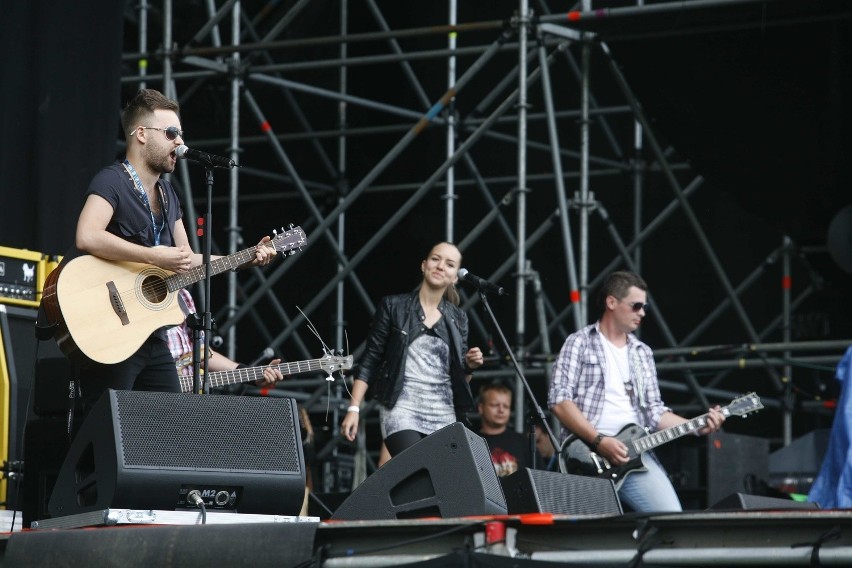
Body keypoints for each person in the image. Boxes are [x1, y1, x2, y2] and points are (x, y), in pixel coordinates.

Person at [71, 88, 275, 417]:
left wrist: (244, 258)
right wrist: (154, 256)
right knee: (106, 425)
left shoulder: (168, 193)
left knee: (171, 424)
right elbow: (86, 235)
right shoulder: (112, 181)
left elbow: (185, 259)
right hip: (114, 328)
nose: (179, 143)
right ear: (140, 135)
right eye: (171, 133)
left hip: (152, 333)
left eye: (180, 134)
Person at [548, 270, 725, 513]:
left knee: (671, 520)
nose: (642, 312)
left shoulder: (642, 353)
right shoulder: (579, 342)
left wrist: (697, 426)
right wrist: (599, 441)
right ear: (612, 302)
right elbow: (559, 400)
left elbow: (654, 413)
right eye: (636, 306)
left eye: (644, 306)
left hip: (635, 455)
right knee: (587, 534)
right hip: (587, 456)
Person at [340, 242, 484, 457]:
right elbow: (370, 359)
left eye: (450, 264)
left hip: (443, 413)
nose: (441, 266)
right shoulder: (393, 306)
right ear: (424, 265)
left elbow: (459, 378)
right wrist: (354, 409)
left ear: (455, 277)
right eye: (436, 259)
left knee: (445, 484)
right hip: (401, 409)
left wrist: (469, 367)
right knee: (417, 470)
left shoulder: (458, 318)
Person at [167, 289, 284, 390]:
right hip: (156, 388)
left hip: (185, 396)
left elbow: (202, 354)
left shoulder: (183, 295)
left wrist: (254, 376)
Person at [477, 381, 531, 477]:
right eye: (494, 405)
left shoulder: (522, 442)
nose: (501, 410)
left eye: (506, 406)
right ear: (481, 408)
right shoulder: (471, 441)